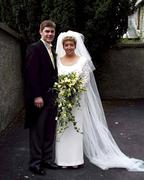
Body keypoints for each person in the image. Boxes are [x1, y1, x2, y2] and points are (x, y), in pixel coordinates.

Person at [55, 30, 144, 171]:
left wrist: (73, 91)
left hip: (77, 100)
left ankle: (75, 159)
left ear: (75, 45)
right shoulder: (59, 60)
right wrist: (64, 92)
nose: (69, 47)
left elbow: (85, 80)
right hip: (63, 100)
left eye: (71, 45)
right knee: (63, 128)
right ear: (63, 46)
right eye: (66, 45)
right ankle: (63, 160)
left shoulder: (83, 61)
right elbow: (57, 79)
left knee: (76, 129)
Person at [24, 20, 58, 175]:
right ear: (40, 32)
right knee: (38, 131)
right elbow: (31, 75)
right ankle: (35, 163)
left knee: (49, 130)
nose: (49, 34)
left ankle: (47, 160)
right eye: (47, 31)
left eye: (52, 31)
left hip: (52, 96)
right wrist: (37, 95)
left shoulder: (53, 50)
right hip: (40, 98)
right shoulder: (34, 48)